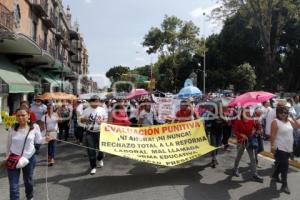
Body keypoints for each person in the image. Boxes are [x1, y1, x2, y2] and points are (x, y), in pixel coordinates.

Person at [4, 107, 52, 200]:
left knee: (28, 181)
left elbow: (38, 140)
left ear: (28, 116)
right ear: (16, 117)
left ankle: (29, 197)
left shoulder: (35, 127)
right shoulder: (12, 128)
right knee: (14, 187)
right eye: (18, 115)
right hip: (13, 159)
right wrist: (7, 157)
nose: (21, 117)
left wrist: (46, 139)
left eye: (23, 115)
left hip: (29, 158)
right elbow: (8, 144)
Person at [270, 106, 300, 194]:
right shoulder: (275, 122)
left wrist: (293, 117)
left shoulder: (289, 120)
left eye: (285, 112)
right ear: (277, 113)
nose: (283, 114)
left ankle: (275, 176)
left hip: (289, 147)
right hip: (280, 147)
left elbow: (298, 126)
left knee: (281, 163)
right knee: (285, 166)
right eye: (281, 112)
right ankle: (284, 184)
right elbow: (273, 135)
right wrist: (272, 146)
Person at [232, 108, 264, 183]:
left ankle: (255, 174)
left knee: (252, 158)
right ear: (242, 113)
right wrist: (241, 135)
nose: (248, 114)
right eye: (246, 113)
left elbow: (258, 128)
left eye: (249, 112)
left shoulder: (252, 120)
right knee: (239, 156)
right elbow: (235, 131)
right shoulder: (238, 121)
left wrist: (258, 129)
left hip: (250, 141)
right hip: (241, 141)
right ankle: (235, 169)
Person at [80, 95, 108, 175]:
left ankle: (100, 158)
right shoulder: (86, 110)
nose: (96, 103)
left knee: (101, 148)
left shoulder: (102, 110)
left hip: (100, 132)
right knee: (91, 150)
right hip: (89, 133)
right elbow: (81, 120)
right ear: (90, 102)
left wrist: (102, 121)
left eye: (98, 101)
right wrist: (86, 120)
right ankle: (93, 167)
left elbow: (105, 120)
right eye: (95, 101)